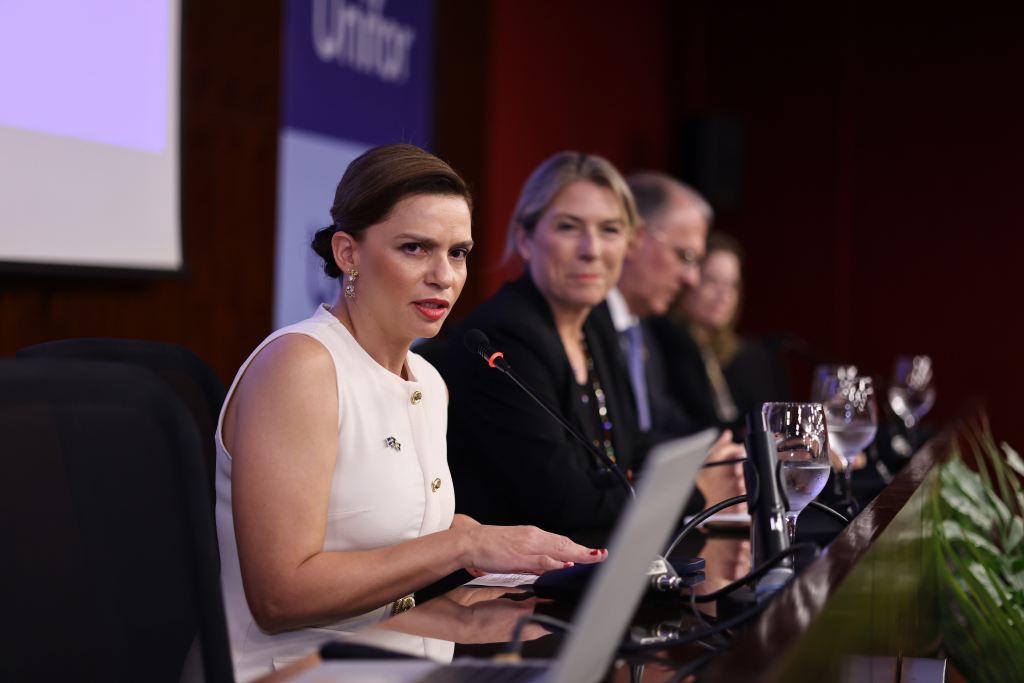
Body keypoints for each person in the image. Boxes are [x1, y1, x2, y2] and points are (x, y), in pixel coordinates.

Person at [214, 144, 605, 681]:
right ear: (348, 253)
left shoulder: (429, 381)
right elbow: (281, 597)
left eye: (459, 252)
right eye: (415, 248)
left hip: (403, 660)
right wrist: (464, 542)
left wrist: (518, 568)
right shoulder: (300, 366)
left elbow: (395, 553)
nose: (444, 276)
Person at [439, 153, 741, 544]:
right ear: (525, 240)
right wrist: (693, 491)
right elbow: (563, 501)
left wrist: (714, 464)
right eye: (569, 227)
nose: (592, 249)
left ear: (629, 245)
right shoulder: (505, 335)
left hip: (588, 565)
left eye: (610, 230)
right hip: (504, 589)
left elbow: (631, 451)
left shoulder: (594, 328)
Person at [607, 171, 746, 511]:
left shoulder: (643, 331)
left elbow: (664, 429)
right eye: (685, 257)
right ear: (637, 238)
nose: (692, 279)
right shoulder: (586, 326)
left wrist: (733, 452)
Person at [658, 231, 790, 436]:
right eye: (712, 280)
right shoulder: (668, 342)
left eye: (732, 285)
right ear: (688, 278)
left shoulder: (738, 355)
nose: (724, 295)